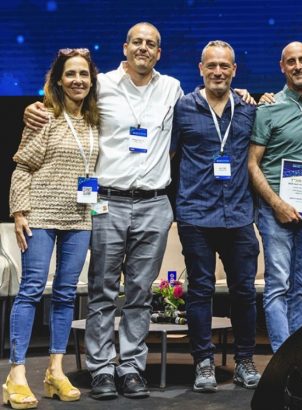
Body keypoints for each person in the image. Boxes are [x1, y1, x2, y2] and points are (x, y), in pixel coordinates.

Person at [23, 22, 182, 399]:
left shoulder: (172, 88)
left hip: (154, 202)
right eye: (137, 42)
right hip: (107, 201)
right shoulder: (102, 84)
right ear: (125, 47)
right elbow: (66, 101)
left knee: (141, 293)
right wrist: (36, 107)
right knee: (102, 290)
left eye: (151, 44)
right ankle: (102, 369)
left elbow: (198, 116)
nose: (143, 48)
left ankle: (131, 368)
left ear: (159, 52)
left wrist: (245, 94)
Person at [5, 48, 99, 408]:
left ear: (92, 81)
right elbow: (22, 167)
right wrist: (19, 212)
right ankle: (16, 375)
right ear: (58, 80)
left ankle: (55, 372)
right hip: (41, 214)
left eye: (84, 74)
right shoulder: (43, 115)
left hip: (80, 217)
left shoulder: (94, 121)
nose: (78, 80)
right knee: (31, 290)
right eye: (70, 74)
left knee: (65, 294)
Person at [170, 40, 261, 391]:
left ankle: (244, 361)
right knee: (200, 291)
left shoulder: (248, 108)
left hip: (238, 215)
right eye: (212, 65)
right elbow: (167, 154)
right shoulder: (183, 107)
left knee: (244, 292)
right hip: (195, 214)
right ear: (201, 69)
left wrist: (263, 97)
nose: (218, 72)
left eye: (224, 66)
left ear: (234, 70)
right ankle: (204, 363)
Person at [248, 41, 302, 352]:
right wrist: (276, 204)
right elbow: (252, 164)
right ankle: (283, 357)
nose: (298, 66)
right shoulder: (268, 108)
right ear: (282, 67)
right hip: (275, 212)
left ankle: (299, 358)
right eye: (291, 61)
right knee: (278, 286)